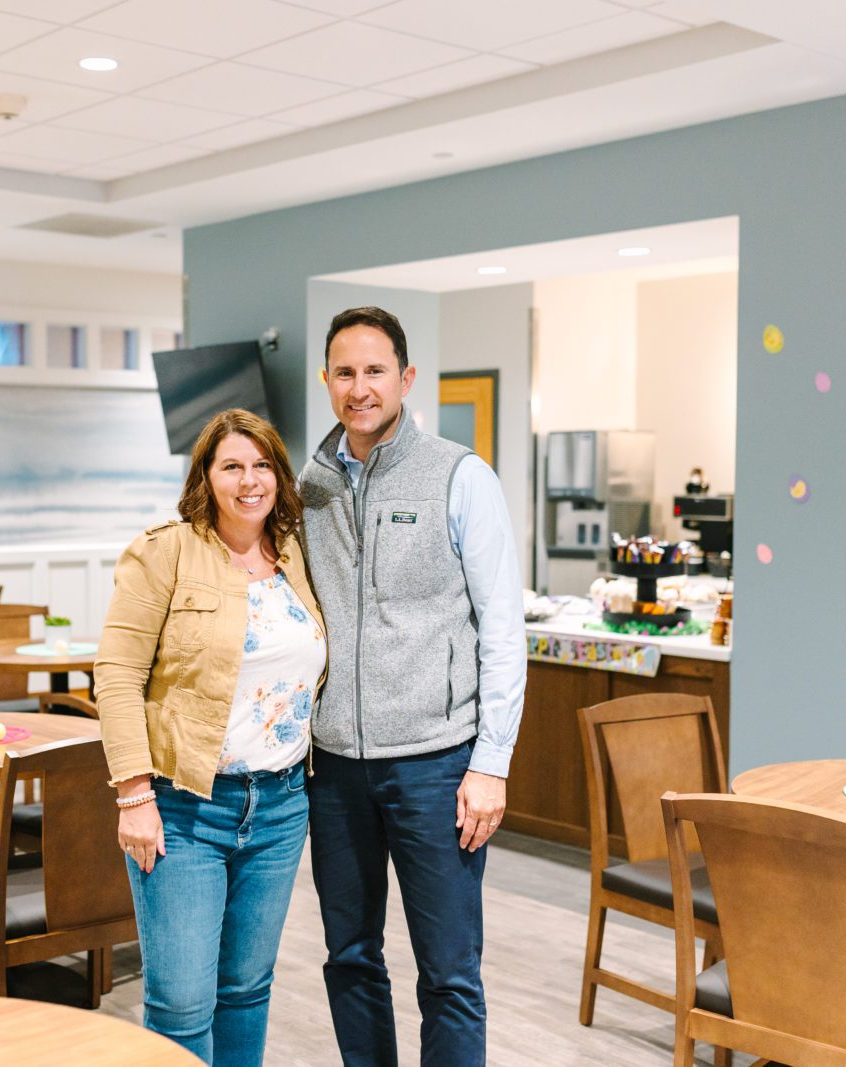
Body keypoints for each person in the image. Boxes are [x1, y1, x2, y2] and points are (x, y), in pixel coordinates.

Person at [298, 306, 526, 1066]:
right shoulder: (310, 486)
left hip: (437, 766)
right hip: (334, 771)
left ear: (405, 378)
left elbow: (502, 627)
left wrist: (491, 761)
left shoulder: (460, 476)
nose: (359, 388)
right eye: (344, 371)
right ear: (326, 379)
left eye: (374, 370)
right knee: (351, 957)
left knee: (450, 974)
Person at [94, 408, 326, 1066]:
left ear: (280, 475)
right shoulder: (165, 551)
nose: (248, 480)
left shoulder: (294, 555)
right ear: (206, 475)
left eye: (261, 465)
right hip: (185, 806)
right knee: (181, 1001)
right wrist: (133, 795)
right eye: (231, 465)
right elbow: (115, 675)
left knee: (247, 989)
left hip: (281, 806)